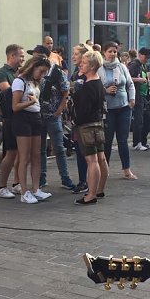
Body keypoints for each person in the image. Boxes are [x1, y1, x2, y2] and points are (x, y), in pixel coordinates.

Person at [11, 57, 52, 204]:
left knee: (36, 154)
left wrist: (35, 102)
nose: (42, 75)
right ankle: (23, 191)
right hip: (22, 118)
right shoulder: (19, 81)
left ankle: (36, 188)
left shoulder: (36, 82)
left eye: (44, 73)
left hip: (36, 117)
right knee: (24, 156)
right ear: (33, 67)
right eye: (41, 71)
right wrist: (31, 102)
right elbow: (14, 106)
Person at [71, 50, 108, 205]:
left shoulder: (88, 86)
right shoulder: (98, 82)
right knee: (100, 157)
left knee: (92, 160)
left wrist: (75, 122)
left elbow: (83, 110)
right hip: (98, 123)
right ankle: (98, 189)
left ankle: (91, 194)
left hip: (87, 126)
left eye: (85, 62)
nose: (81, 64)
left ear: (92, 66)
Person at [98, 41, 137, 180]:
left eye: (115, 51)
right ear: (104, 53)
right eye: (110, 51)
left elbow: (130, 84)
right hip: (108, 110)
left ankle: (126, 170)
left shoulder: (122, 67)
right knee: (107, 141)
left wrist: (132, 99)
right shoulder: (99, 68)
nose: (113, 54)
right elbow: (94, 88)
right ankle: (104, 170)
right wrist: (105, 90)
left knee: (123, 140)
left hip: (124, 108)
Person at [39, 51, 75, 192]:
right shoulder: (34, 72)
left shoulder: (57, 73)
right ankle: (41, 177)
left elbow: (66, 92)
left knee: (59, 148)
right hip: (39, 115)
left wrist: (58, 111)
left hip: (53, 115)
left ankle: (65, 178)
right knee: (40, 149)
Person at [0, 44, 23, 199]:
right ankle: (2, 186)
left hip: (21, 117)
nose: (23, 59)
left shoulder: (19, 73)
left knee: (20, 152)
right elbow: (8, 91)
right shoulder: (1, 73)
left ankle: (17, 183)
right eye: (21, 56)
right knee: (10, 152)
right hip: (9, 117)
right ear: (12, 56)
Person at [68, 43, 91, 194]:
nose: (73, 56)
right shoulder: (75, 74)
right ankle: (83, 180)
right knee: (79, 151)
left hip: (88, 119)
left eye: (75, 54)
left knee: (89, 153)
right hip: (76, 118)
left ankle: (92, 181)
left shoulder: (90, 74)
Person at [128, 47, 150, 151]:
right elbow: (128, 78)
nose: (147, 59)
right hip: (137, 96)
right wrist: (139, 79)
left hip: (143, 95)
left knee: (147, 119)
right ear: (140, 55)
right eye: (145, 57)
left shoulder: (143, 65)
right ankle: (137, 142)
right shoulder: (134, 65)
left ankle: (143, 141)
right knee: (139, 120)